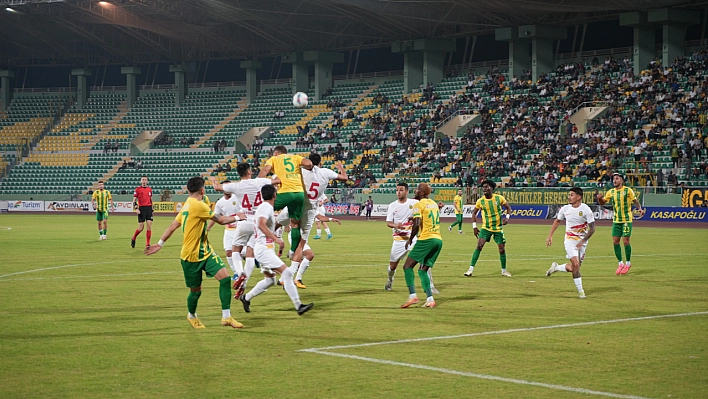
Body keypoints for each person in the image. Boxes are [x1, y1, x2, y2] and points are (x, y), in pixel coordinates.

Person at [145, 176, 244, 329]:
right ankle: (191, 315)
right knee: (195, 292)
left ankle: (227, 317)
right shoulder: (199, 206)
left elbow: (173, 226)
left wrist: (159, 244)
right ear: (202, 189)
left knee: (225, 279)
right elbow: (221, 220)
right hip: (190, 256)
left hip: (206, 252)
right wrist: (239, 217)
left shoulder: (186, 205)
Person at [239, 184, 314, 316]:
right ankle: (298, 306)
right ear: (275, 195)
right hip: (263, 249)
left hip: (264, 248)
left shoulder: (265, 207)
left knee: (270, 280)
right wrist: (277, 239)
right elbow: (261, 224)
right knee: (287, 273)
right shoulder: (266, 207)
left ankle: (246, 298)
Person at [211, 163, 277, 296]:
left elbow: (217, 187)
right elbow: (277, 181)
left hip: (243, 220)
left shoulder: (236, 186)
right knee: (250, 254)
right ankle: (244, 280)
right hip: (258, 222)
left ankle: (240, 273)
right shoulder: (260, 182)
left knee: (236, 250)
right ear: (249, 171)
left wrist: (213, 179)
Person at [284, 153, 348, 287]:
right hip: (309, 208)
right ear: (320, 163)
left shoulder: (301, 171)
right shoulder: (325, 172)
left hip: (298, 205)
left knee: (303, 249)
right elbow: (344, 178)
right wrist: (341, 168)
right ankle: (291, 277)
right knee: (303, 249)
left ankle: (291, 276)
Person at [258, 145, 314, 269]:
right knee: (295, 223)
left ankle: (254, 247)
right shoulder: (295, 157)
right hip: (299, 193)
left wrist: (257, 181)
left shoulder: (274, 159)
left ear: (276, 153)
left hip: (284, 192)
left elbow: (265, 170)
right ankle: (293, 253)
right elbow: (309, 164)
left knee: (261, 211)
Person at [385, 182, 439, 294]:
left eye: (401, 190)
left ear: (406, 191)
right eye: (397, 190)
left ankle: (431, 286)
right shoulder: (392, 205)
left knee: (423, 262)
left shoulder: (414, 203)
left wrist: (438, 207)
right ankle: (390, 280)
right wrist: (396, 225)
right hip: (398, 240)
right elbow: (388, 222)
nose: (398, 192)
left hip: (412, 239)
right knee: (392, 266)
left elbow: (426, 207)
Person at [545, 187, 596, 298]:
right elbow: (557, 221)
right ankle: (581, 292)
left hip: (582, 242)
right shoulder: (565, 209)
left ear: (578, 197)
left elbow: (592, 228)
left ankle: (556, 267)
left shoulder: (586, 209)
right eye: (569, 194)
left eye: (572, 195)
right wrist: (550, 236)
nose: (569, 197)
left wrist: (583, 241)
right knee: (576, 265)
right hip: (570, 241)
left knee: (574, 268)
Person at [400, 183, 443, 309]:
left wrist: (411, 239)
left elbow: (417, 223)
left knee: (407, 266)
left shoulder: (418, 204)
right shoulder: (433, 203)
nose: (416, 190)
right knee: (422, 270)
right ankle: (430, 299)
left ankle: (413, 295)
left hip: (426, 239)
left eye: (418, 189)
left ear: (423, 193)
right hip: (438, 240)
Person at [596, 173, 645, 275]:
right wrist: (599, 198)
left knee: (626, 241)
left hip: (627, 220)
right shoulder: (611, 192)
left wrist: (639, 208)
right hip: (616, 220)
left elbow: (635, 201)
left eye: (617, 178)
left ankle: (628, 263)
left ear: (621, 181)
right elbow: (602, 203)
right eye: (614, 179)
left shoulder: (628, 190)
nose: (615, 180)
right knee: (615, 241)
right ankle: (620, 263)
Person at [464, 180, 513, 277]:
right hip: (485, 228)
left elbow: (508, 208)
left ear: (492, 188)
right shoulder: (480, 201)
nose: (484, 189)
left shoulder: (499, 198)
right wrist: (474, 227)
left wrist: (507, 218)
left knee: (502, 249)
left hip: (498, 228)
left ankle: (504, 270)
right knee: (479, 246)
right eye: (483, 187)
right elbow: (474, 213)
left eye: (486, 187)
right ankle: (470, 270)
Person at [207, 182, 243, 279]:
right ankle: (236, 273)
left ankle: (252, 259)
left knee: (242, 252)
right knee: (228, 252)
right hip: (228, 230)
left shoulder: (237, 197)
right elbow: (215, 216)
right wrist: (209, 227)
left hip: (239, 228)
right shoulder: (220, 203)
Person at [132, 176, 154, 249]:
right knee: (141, 228)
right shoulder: (137, 189)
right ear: (141, 181)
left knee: (149, 226)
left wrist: (152, 208)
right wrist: (136, 208)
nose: (144, 181)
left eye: (145, 180)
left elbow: (150, 199)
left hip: (148, 208)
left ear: (147, 181)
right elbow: (134, 200)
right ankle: (134, 237)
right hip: (141, 208)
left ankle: (147, 244)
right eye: (143, 180)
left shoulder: (149, 189)